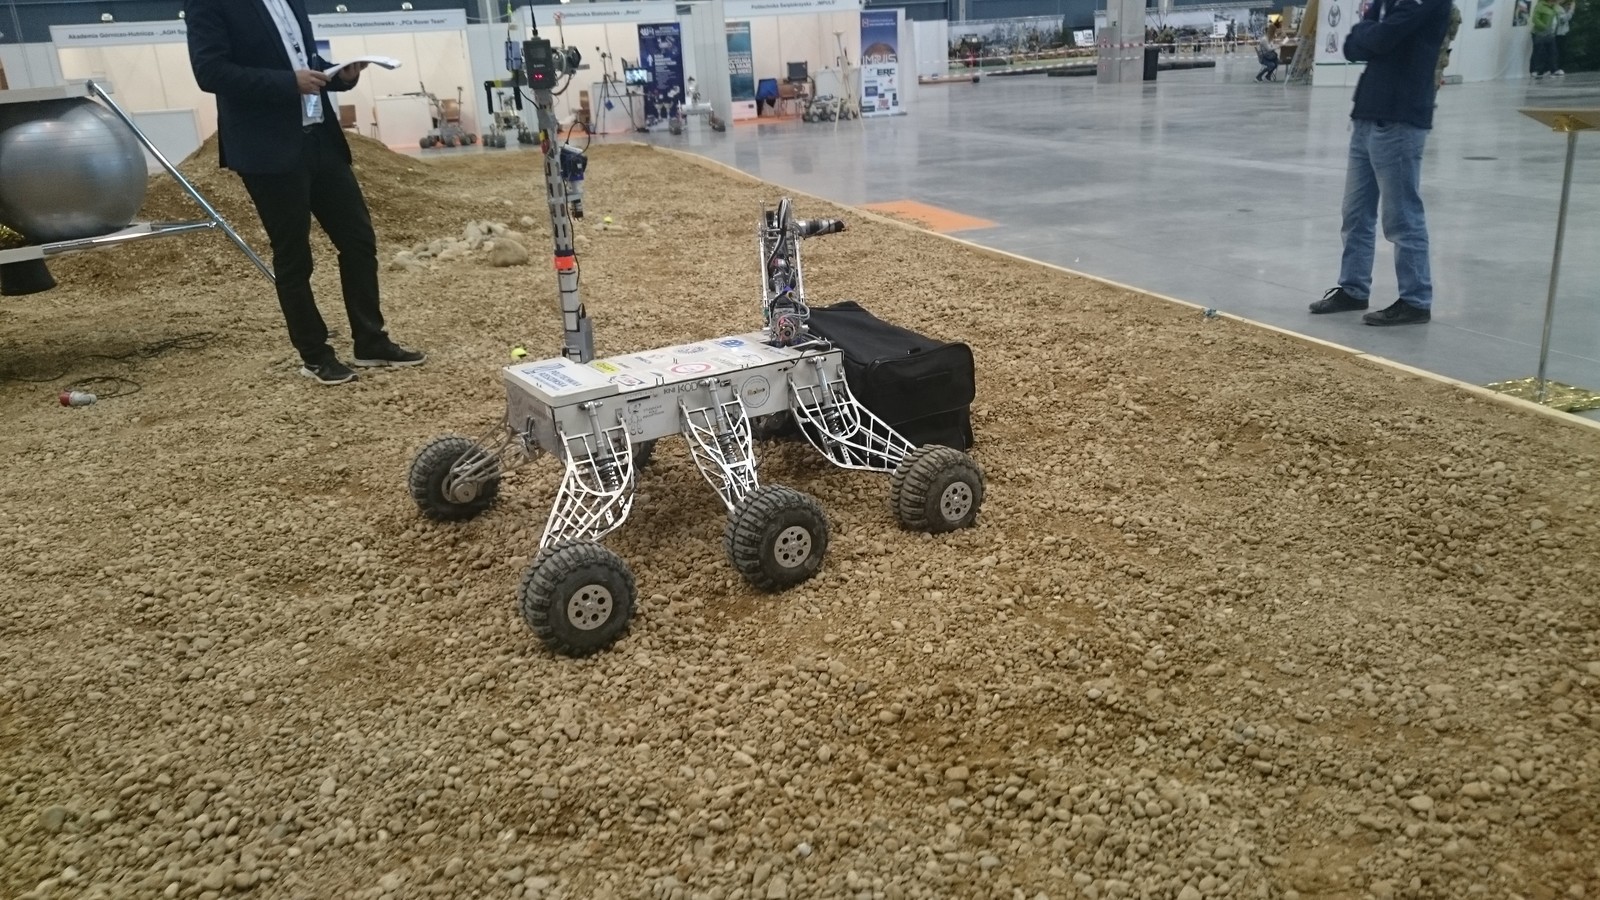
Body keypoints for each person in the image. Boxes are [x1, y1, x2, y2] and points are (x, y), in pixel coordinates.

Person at [185, 0, 425, 386]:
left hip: (320, 139)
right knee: (294, 256)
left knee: (358, 240)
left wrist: (339, 75)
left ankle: (370, 341)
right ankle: (314, 355)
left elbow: (303, 61)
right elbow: (210, 72)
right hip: (268, 149)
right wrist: (287, 82)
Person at [1309, 0, 1451, 326]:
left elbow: (1382, 38)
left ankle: (1416, 300)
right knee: (1355, 213)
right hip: (1366, 114)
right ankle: (1353, 288)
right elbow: (1351, 46)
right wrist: (1374, 35)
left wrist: (1372, 35)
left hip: (1400, 116)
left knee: (1401, 216)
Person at [1529, 0, 1561, 77]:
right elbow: (1535, 19)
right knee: (1538, 51)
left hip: (1551, 33)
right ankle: (1535, 70)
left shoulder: (1555, 7)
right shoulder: (1540, 5)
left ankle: (1553, 69)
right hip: (1540, 33)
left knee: (1553, 52)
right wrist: (1544, 27)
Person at [1436, 2, 1462, 87]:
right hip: (1442, 42)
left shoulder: (1427, 5)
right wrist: (1451, 36)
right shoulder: (1451, 7)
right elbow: (1455, 22)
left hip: (1428, 43)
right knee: (1437, 70)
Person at [1553, 0, 1575, 76]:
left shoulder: (1559, 8)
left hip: (1561, 33)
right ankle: (1557, 68)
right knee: (1559, 52)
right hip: (1559, 33)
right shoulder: (1557, 8)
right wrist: (1571, 10)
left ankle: (1557, 68)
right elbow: (1563, 19)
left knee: (1560, 51)